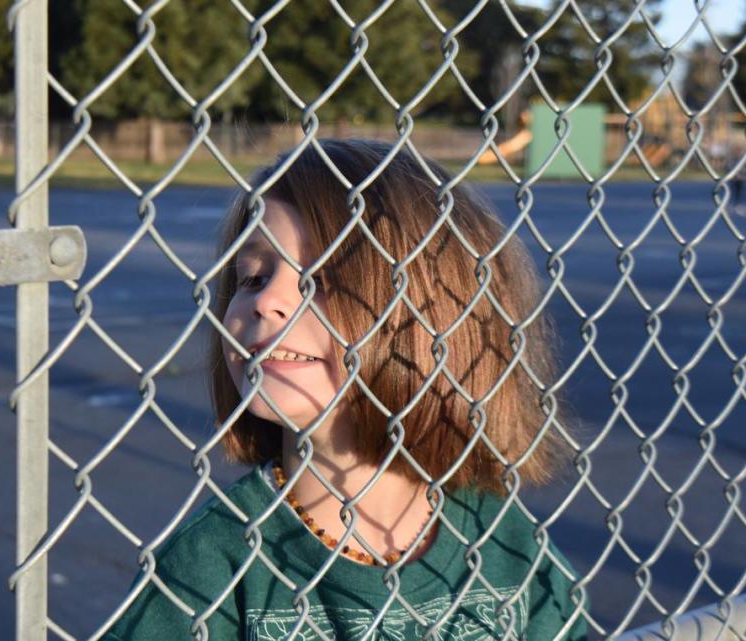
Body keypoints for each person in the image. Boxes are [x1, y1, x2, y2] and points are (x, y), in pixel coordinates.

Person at [103, 139, 586, 641]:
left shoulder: (507, 545)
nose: (267, 301)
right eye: (252, 276)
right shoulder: (205, 566)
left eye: (320, 277)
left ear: (432, 319)